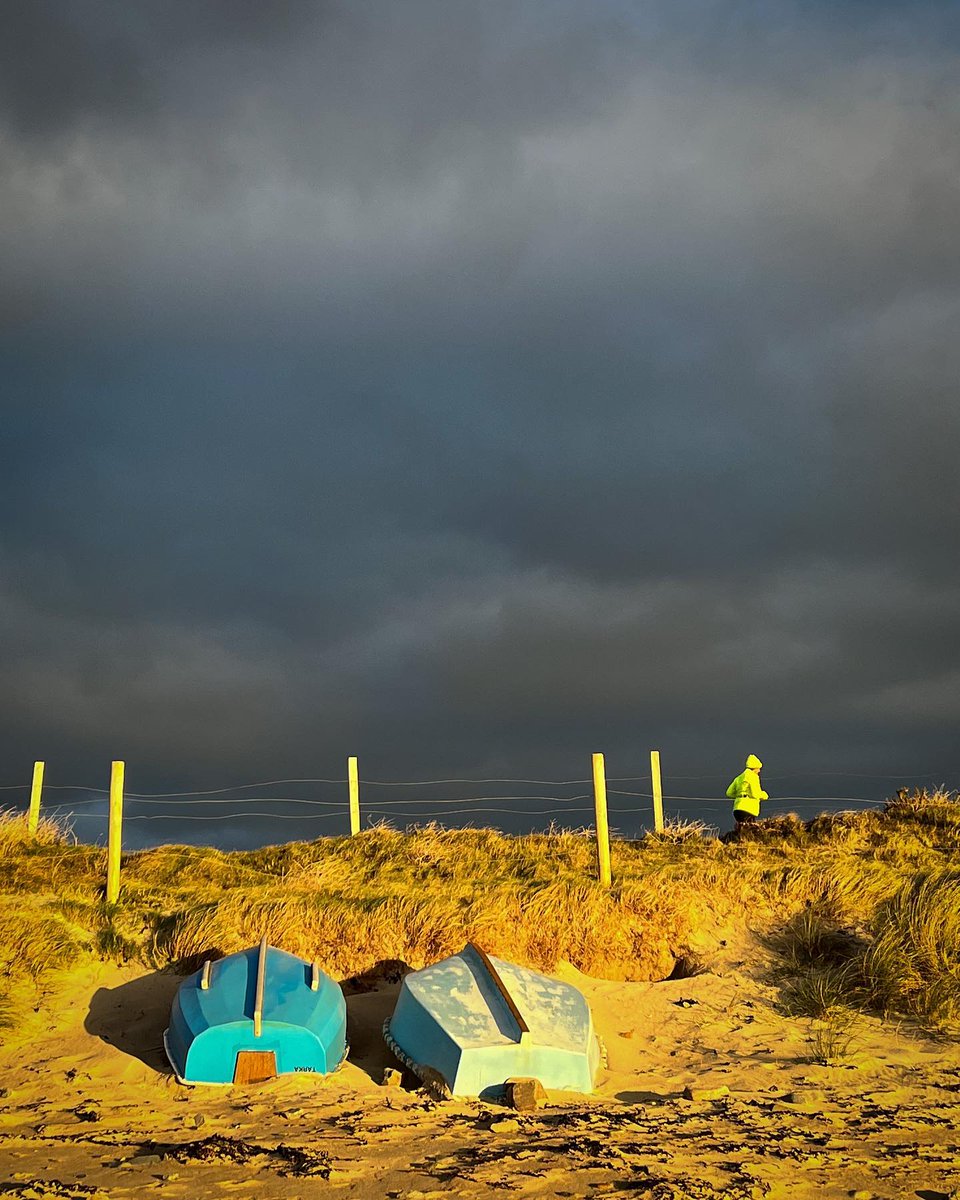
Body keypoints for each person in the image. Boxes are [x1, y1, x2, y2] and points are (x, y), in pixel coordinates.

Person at [726, 754, 768, 831]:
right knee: (750, 831)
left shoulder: (739, 777)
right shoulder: (753, 777)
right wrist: (764, 795)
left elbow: (729, 793)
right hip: (748, 809)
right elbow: (755, 794)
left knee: (741, 830)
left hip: (737, 809)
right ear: (754, 767)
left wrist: (740, 795)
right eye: (758, 768)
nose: (759, 771)